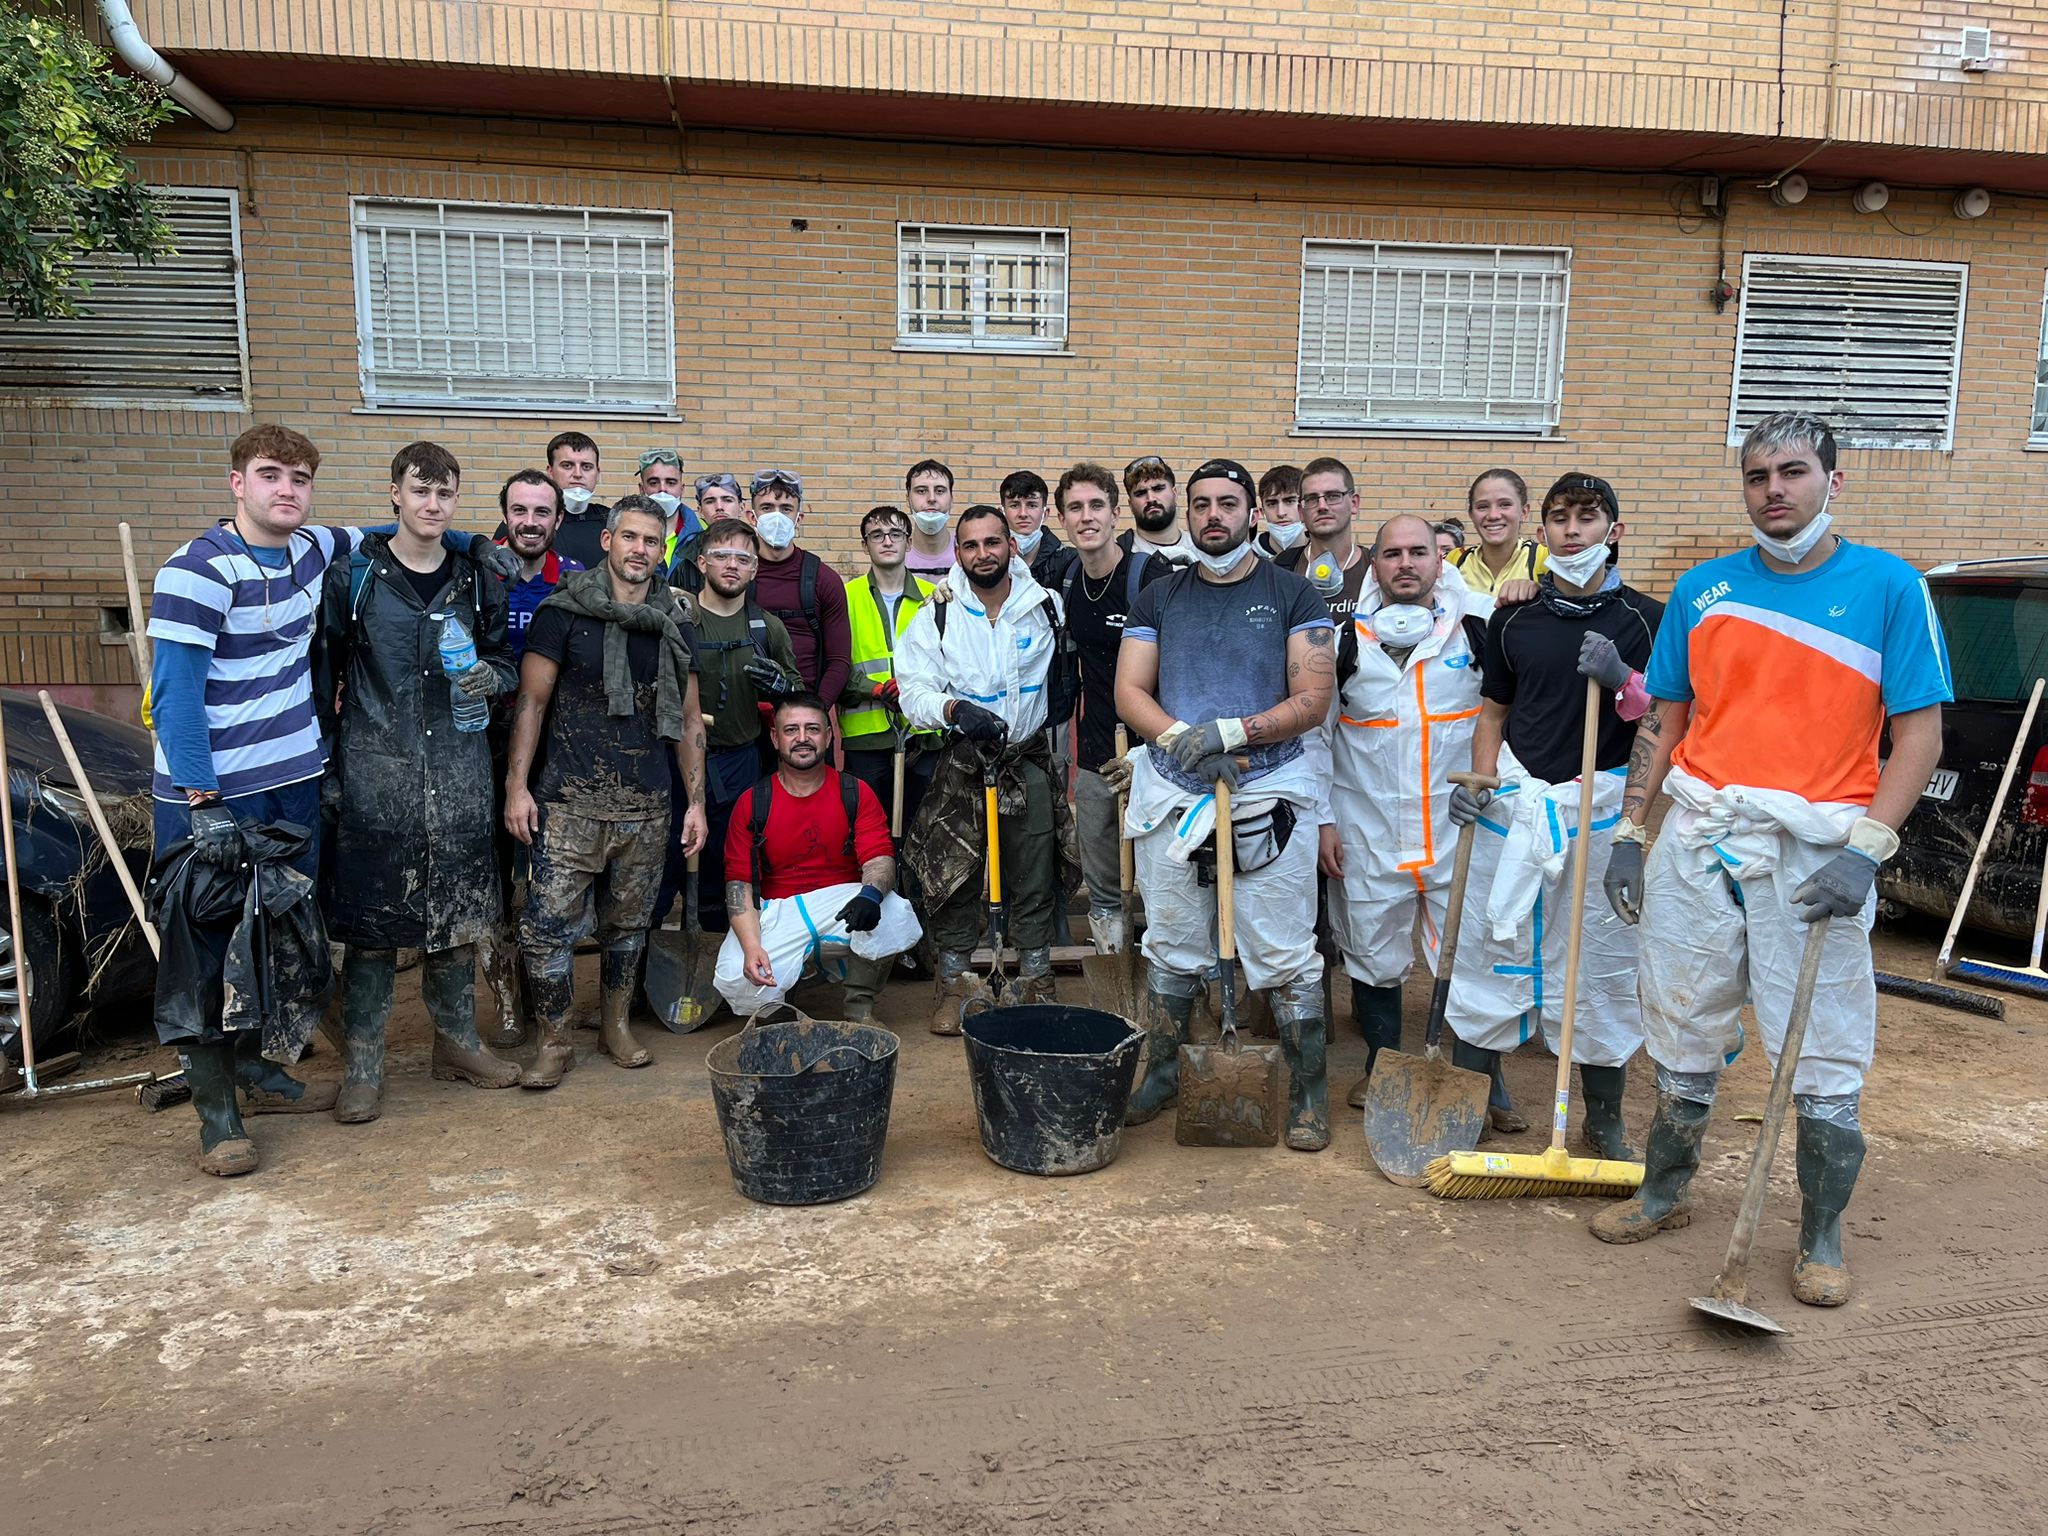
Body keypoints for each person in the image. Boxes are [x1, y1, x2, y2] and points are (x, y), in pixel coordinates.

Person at [1593, 412, 1950, 1308]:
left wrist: (1868, 852)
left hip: (1821, 852)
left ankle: (1822, 1234)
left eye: (1793, 472)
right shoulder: (1704, 590)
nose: (1775, 490)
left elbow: (1919, 737)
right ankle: (1665, 1192)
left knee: (1824, 1055)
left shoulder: (1890, 588)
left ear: (1835, 479)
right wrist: (1635, 834)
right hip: (1702, 839)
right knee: (1681, 1027)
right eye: (1758, 476)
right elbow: (1666, 726)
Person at [148, 424, 514, 1175]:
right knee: (205, 950)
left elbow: (406, 527)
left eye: (300, 479)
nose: (286, 491)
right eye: (270, 475)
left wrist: (479, 540)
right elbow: (174, 694)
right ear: (236, 482)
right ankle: (219, 1118)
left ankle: (252, 1068)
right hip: (216, 797)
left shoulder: (316, 551)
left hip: (295, 784)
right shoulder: (197, 570)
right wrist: (201, 797)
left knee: (282, 943)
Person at [1115, 459, 1337, 1150]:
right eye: (1202, 503)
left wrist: (1235, 732)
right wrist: (1184, 740)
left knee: (1282, 949)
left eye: (1229, 504)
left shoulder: (1296, 593)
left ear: (1252, 513)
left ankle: (1307, 1091)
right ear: (1188, 512)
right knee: (1175, 942)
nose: (1215, 515)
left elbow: (1313, 698)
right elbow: (1131, 691)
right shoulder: (1160, 595)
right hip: (1175, 787)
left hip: (1267, 786)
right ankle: (1164, 1072)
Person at [1445, 473, 1662, 1155]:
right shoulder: (1516, 617)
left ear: (1615, 531)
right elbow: (1495, 710)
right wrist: (1481, 782)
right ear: (1542, 533)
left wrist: (1624, 681)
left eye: (1589, 518)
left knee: (1596, 965)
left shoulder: (1647, 619)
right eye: (1560, 518)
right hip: (1517, 810)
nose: (1573, 531)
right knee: (1488, 952)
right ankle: (1469, 1103)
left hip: (1598, 811)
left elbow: (1664, 715)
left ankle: (1603, 1118)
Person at [317, 442, 522, 1123]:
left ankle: (458, 1044)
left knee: (458, 918)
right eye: (420, 491)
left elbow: (505, 660)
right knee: (374, 926)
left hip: (462, 771)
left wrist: (491, 677)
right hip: (379, 769)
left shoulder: (476, 575)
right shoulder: (356, 577)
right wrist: (327, 768)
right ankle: (365, 1063)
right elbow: (325, 675)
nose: (433, 505)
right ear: (396, 494)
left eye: (445, 494)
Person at [504, 495, 708, 1087]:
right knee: (547, 926)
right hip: (568, 800)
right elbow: (531, 702)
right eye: (631, 538)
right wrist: (518, 787)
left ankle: (615, 1025)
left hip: (647, 803)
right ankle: (555, 1038)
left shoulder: (677, 617)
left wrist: (695, 802)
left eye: (652, 540)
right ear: (607, 541)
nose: (640, 550)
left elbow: (691, 718)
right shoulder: (562, 611)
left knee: (629, 924)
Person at [1325, 515, 1491, 1108]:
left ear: (1439, 561)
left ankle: (1482, 1081)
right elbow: (1320, 741)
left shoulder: (1481, 628)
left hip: (1460, 830)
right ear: (1374, 565)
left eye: (1418, 551)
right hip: (1369, 831)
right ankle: (1383, 1066)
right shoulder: (1342, 640)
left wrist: (1500, 790)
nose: (1405, 563)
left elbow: (1507, 723)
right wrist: (1324, 821)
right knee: (1372, 953)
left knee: (1474, 952)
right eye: (1391, 553)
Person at [898, 504, 1080, 1030]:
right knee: (955, 874)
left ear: (1011, 546)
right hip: (963, 762)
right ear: (958, 553)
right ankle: (955, 984)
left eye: (993, 542)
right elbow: (914, 689)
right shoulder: (937, 612)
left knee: (1034, 871)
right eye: (972, 545)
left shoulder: (1047, 606)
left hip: (1026, 759)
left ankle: (1036, 978)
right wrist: (954, 710)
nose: (983, 554)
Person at [718, 694, 922, 1020]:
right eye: (791, 730)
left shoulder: (854, 792)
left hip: (840, 903)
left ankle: (860, 1009)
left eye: (812, 729)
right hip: (778, 908)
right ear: (775, 738)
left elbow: (879, 858)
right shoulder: (753, 802)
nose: (802, 738)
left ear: (828, 736)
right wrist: (752, 946)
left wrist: (870, 896)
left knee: (895, 912)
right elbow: (738, 885)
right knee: (734, 977)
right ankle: (782, 1007)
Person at [1054, 462, 1171, 952]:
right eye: (1075, 508)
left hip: (1155, 754)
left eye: (1096, 505)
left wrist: (1156, 746)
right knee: (1102, 882)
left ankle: (1175, 978)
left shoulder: (1150, 576)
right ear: (1062, 520)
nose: (1086, 517)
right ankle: (1114, 965)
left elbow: (1179, 665)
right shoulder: (1065, 579)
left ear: (1115, 512)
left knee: (1166, 878)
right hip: (1098, 752)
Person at [683, 517, 802, 935]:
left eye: (742, 558)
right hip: (677, 762)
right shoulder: (680, 619)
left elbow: (800, 701)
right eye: (721, 556)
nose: (731, 565)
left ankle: (731, 951)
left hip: (741, 763)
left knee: (736, 863)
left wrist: (784, 688)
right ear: (701, 562)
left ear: (754, 569)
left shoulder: (766, 628)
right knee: (667, 868)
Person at [840, 505, 939, 837]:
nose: (887, 541)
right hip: (866, 739)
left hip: (923, 735)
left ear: (909, 543)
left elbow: (949, 664)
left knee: (922, 830)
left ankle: (914, 891)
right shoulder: (846, 596)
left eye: (896, 534)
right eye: (877, 535)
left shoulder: (934, 597)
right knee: (869, 830)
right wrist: (875, 689)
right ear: (864, 545)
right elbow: (837, 664)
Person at [748, 468, 851, 706]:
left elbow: (839, 660)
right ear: (752, 517)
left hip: (808, 710)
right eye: (766, 508)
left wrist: (816, 711)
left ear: (799, 519)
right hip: (747, 720)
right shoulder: (738, 576)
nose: (777, 516)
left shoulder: (824, 579)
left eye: (786, 509)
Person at [498, 470, 581, 660]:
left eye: (542, 512)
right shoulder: (476, 571)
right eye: (519, 510)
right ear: (505, 515)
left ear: (558, 519)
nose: (530, 522)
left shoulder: (573, 576)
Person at [1448, 469, 1545, 602]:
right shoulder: (1453, 561)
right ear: (1471, 514)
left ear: (1524, 512)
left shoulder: (1545, 560)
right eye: (1482, 507)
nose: (1493, 515)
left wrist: (1542, 591)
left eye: (1505, 505)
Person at [667, 472, 746, 593]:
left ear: (741, 507)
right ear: (700, 511)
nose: (719, 507)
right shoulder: (684, 557)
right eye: (710, 501)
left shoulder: (756, 553)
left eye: (727, 500)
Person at [542, 431, 611, 569]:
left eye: (586, 467)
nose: (578, 474)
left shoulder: (613, 520)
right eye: (567, 465)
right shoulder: (529, 520)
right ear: (550, 472)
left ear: (597, 473)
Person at [1001, 469, 1072, 590]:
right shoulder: (992, 562)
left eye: (1032, 505)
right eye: (1014, 505)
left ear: (1045, 514)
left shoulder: (1069, 562)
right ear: (1002, 514)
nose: (1023, 514)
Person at [1120, 455, 1196, 567]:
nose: (1151, 499)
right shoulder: (1121, 556)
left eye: (1158, 489)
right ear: (1130, 505)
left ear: (1174, 493)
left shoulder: (1202, 550)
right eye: (1140, 493)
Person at [635, 448, 700, 564]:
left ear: (682, 489)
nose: (662, 489)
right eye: (654, 483)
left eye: (671, 483)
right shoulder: (625, 535)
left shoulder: (701, 536)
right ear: (641, 489)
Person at [904, 459, 957, 583]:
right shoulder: (895, 554)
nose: (931, 498)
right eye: (921, 491)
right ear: (908, 499)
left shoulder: (970, 552)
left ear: (951, 499)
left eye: (939, 491)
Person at [1254, 464, 1308, 562]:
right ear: (1262, 512)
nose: (1281, 513)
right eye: (1272, 504)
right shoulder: (1247, 559)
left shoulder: (1323, 555)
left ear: (1304, 506)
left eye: (1289, 501)